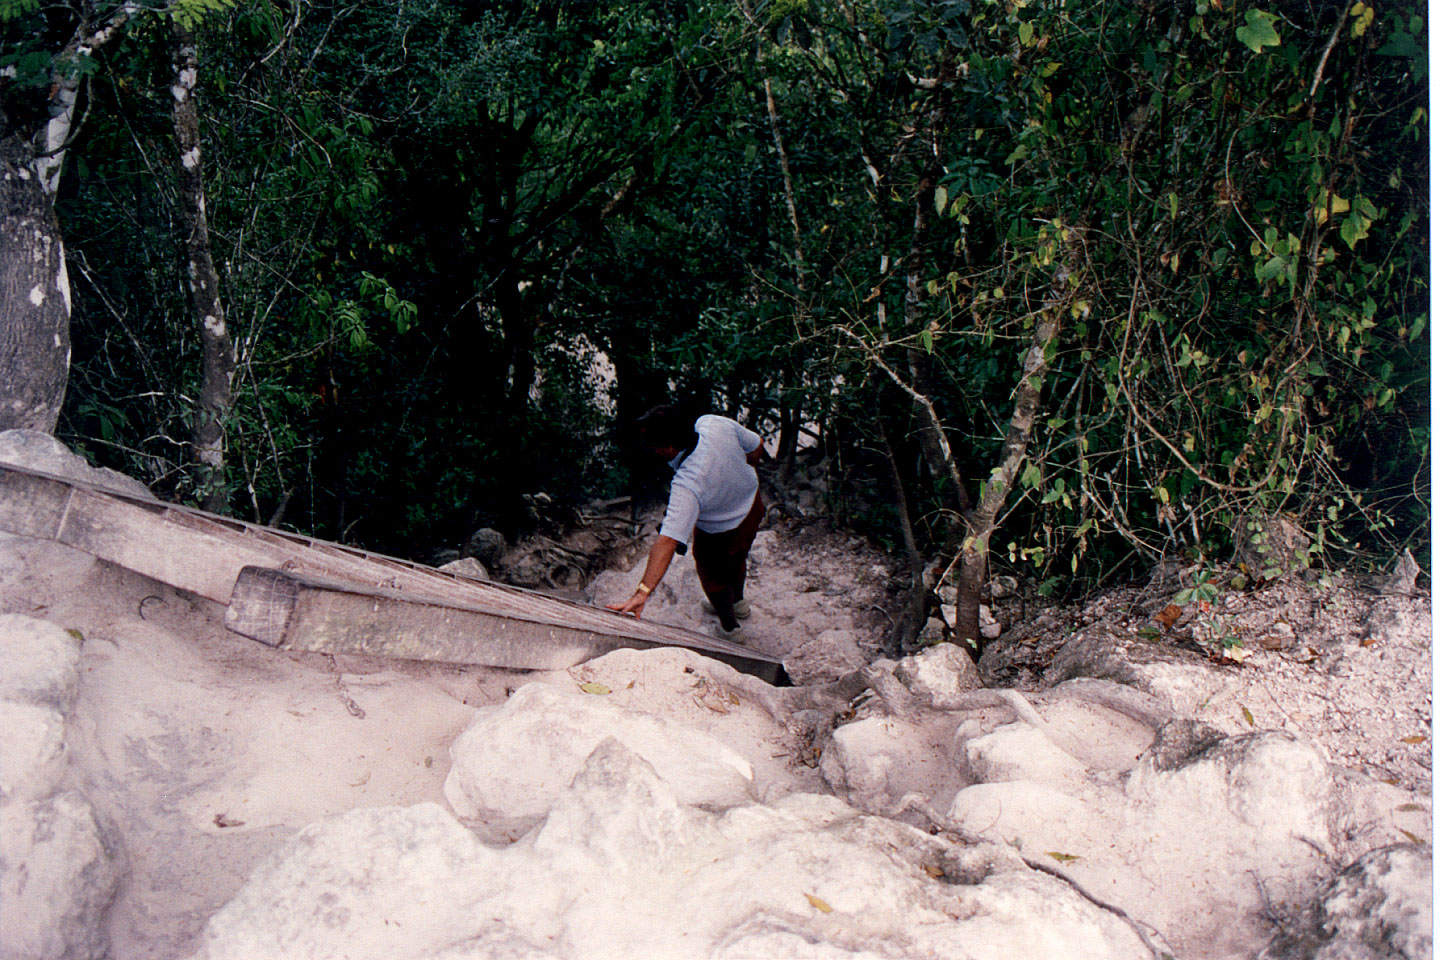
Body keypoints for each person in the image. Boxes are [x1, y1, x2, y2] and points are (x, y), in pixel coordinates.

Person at [607, 405, 764, 642]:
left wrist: (643, 592)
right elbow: (756, 446)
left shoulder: (688, 483)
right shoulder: (713, 423)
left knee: (713, 580)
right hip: (752, 505)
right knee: (738, 556)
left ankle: (731, 628)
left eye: (653, 445)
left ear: (669, 447)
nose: (651, 449)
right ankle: (740, 602)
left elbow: (668, 541)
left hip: (720, 529)